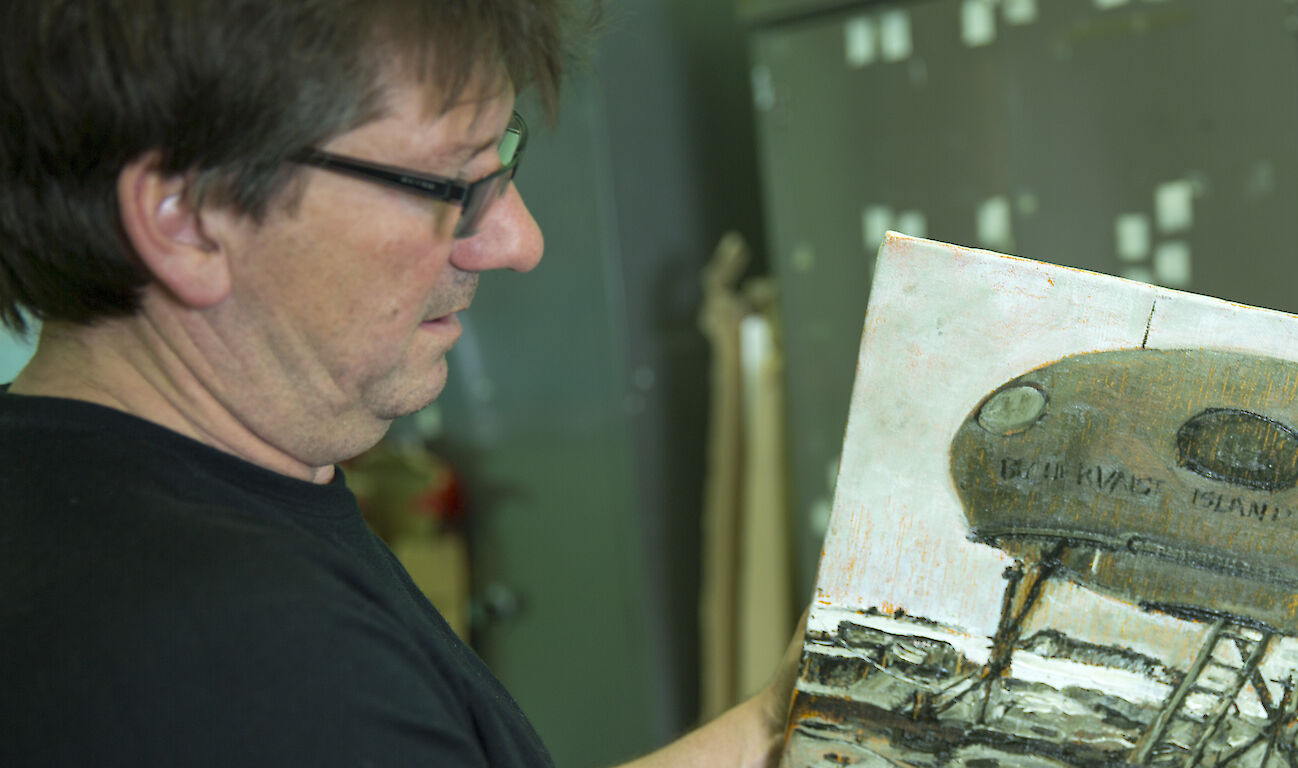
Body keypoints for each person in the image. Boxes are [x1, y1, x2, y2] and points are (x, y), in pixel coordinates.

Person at [0, 1, 794, 765]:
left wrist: (776, 731)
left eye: (502, 159)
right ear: (189, 217)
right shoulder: (238, 659)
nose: (519, 241)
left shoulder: (87, 511)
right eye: (452, 186)